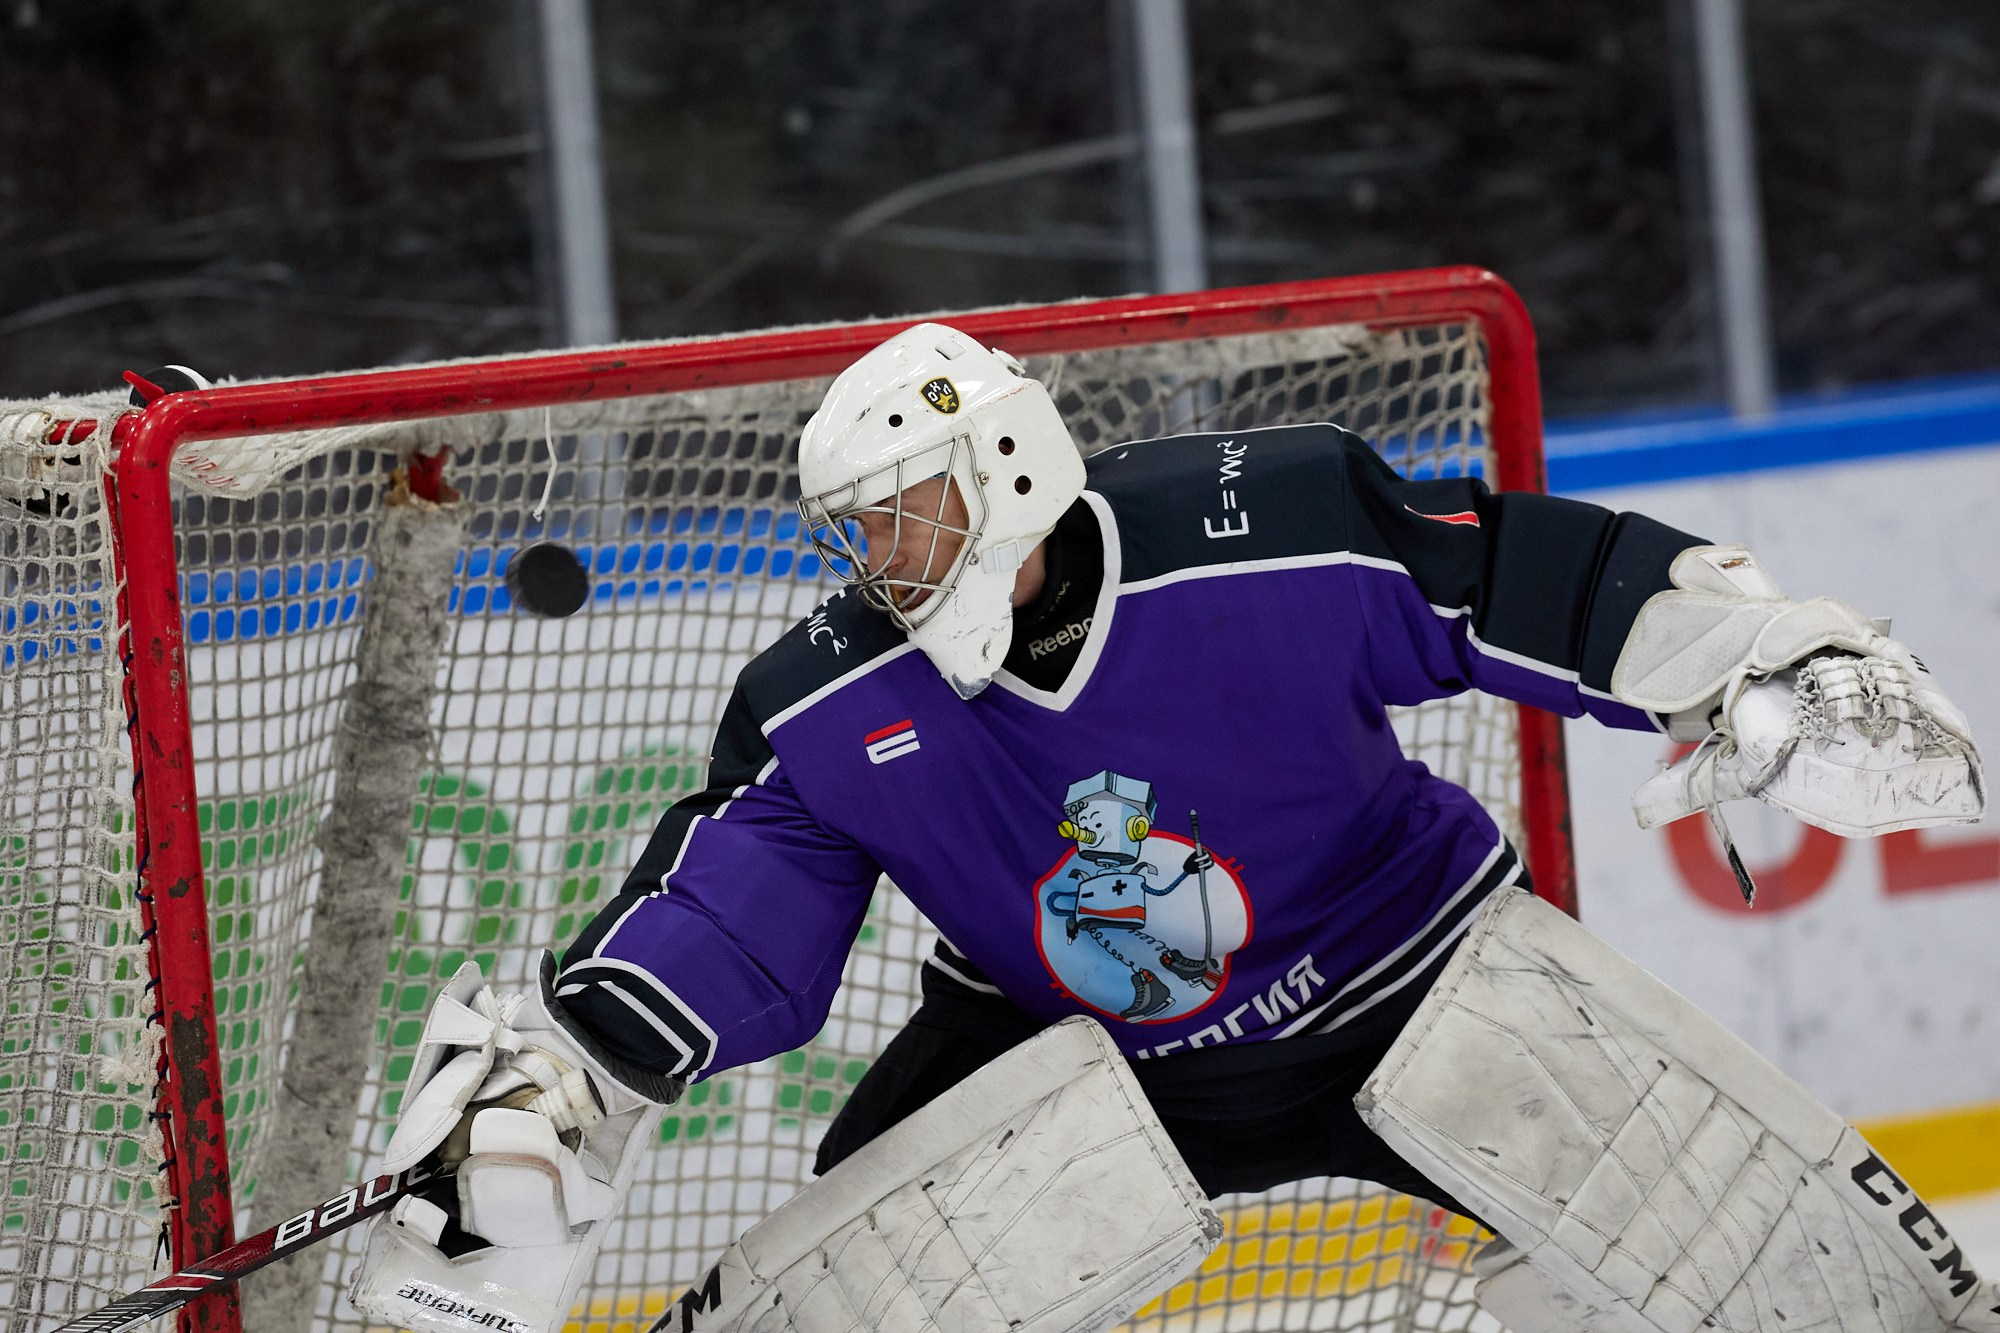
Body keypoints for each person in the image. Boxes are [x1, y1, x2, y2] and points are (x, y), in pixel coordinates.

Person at [350, 323, 1989, 1333]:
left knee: (1819, 1293)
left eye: (909, 511)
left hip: (1411, 972)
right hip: (1067, 1047)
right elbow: (735, 901)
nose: (885, 561)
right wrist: (569, 1076)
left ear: (1007, 460)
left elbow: (1504, 575)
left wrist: (1757, 656)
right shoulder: (829, 697)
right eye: (858, 533)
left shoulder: (1267, 528)